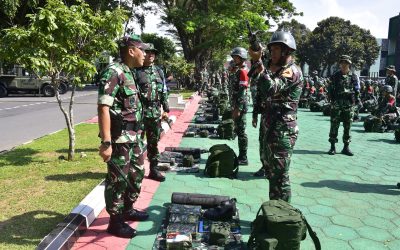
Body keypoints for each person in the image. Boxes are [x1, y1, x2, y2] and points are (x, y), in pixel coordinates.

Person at [97, 34, 149, 238]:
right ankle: (115, 222)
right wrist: (106, 142)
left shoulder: (130, 72)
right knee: (118, 180)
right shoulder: (113, 72)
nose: (144, 54)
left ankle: (128, 210)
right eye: (142, 50)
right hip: (120, 139)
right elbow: (103, 108)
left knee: (136, 175)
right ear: (131, 51)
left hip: (135, 136)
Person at [249, 31, 303, 202]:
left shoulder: (292, 72)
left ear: (287, 51)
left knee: (280, 176)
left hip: (283, 129)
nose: (272, 53)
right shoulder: (277, 69)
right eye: (270, 49)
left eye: (276, 49)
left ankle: (282, 216)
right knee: (272, 172)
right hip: (272, 125)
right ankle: (275, 212)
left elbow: (271, 88)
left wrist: (259, 62)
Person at [136, 43, 170, 182]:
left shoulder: (159, 71)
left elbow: (163, 90)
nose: (151, 55)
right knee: (136, 142)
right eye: (148, 52)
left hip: (155, 112)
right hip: (140, 112)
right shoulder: (136, 71)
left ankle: (153, 170)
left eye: (153, 53)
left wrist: (166, 108)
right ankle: (136, 170)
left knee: (153, 143)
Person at [327, 55, 360, 156]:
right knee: (334, 125)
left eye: (346, 63)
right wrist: (332, 101)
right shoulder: (335, 76)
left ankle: (346, 147)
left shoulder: (354, 76)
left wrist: (354, 100)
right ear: (340, 64)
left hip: (348, 105)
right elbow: (330, 90)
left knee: (348, 126)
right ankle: (332, 147)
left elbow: (357, 90)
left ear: (349, 64)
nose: (344, 64)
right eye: (342, 62)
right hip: (336, 104)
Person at [230, 47, 249, 165]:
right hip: (237, 103)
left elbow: (242, 90)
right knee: (238, 129)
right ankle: (241, 155)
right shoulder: (238, 69)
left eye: (236, 57)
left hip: (240, 105)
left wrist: (238, 108)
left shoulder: (243, 71)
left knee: (241, 131)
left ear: (242, 58)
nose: (234, 59)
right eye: (234, 57)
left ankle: (243, 157)